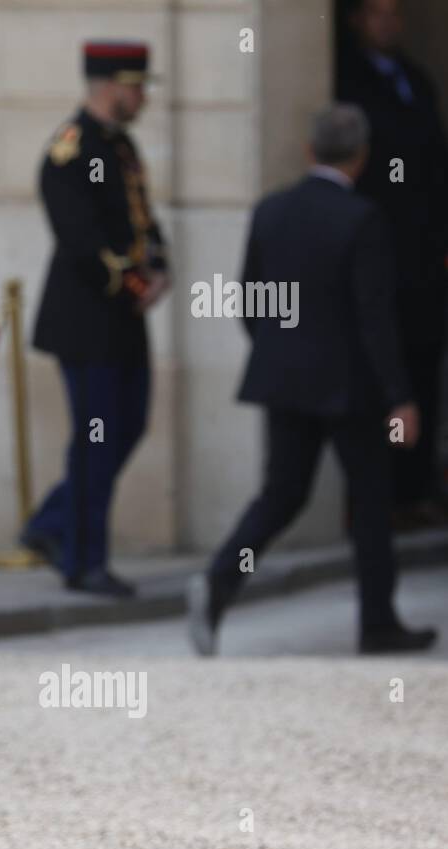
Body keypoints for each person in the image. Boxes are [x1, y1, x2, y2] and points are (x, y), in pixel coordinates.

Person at [187, 103, 437, 657]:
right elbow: (375, 317)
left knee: (282, 494)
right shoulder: (363, 218)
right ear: (363, 156)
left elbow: (250, 299)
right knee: (371, 501)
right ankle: (377, 623)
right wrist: (400, 396)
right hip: (351, 388)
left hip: (284, 379)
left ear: (309, 150)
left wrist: (280, 352)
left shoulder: (271, 210)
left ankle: (219, 581)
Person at [19, 40, 170, 598]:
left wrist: (161, 267)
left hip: (123, 318)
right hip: (85, 318)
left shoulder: (120, 145)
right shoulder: (72, 149)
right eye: (135, 86)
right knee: (96, 438)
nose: (141, 96)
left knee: (127, 427)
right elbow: (81, 238)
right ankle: (84, 562)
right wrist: (134, 281)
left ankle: (51, 526)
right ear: (108, 85)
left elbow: (141, 218)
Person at [337, 0, 448, 528]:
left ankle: (414, 487)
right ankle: (375, 495)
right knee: (382, 375)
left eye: (395, 12)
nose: (389, 22)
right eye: (377, 12)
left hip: (423, 254)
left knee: (423, 367)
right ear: (356, 18)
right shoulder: (346, 76)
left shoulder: (416, 79)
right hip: (378, 246)